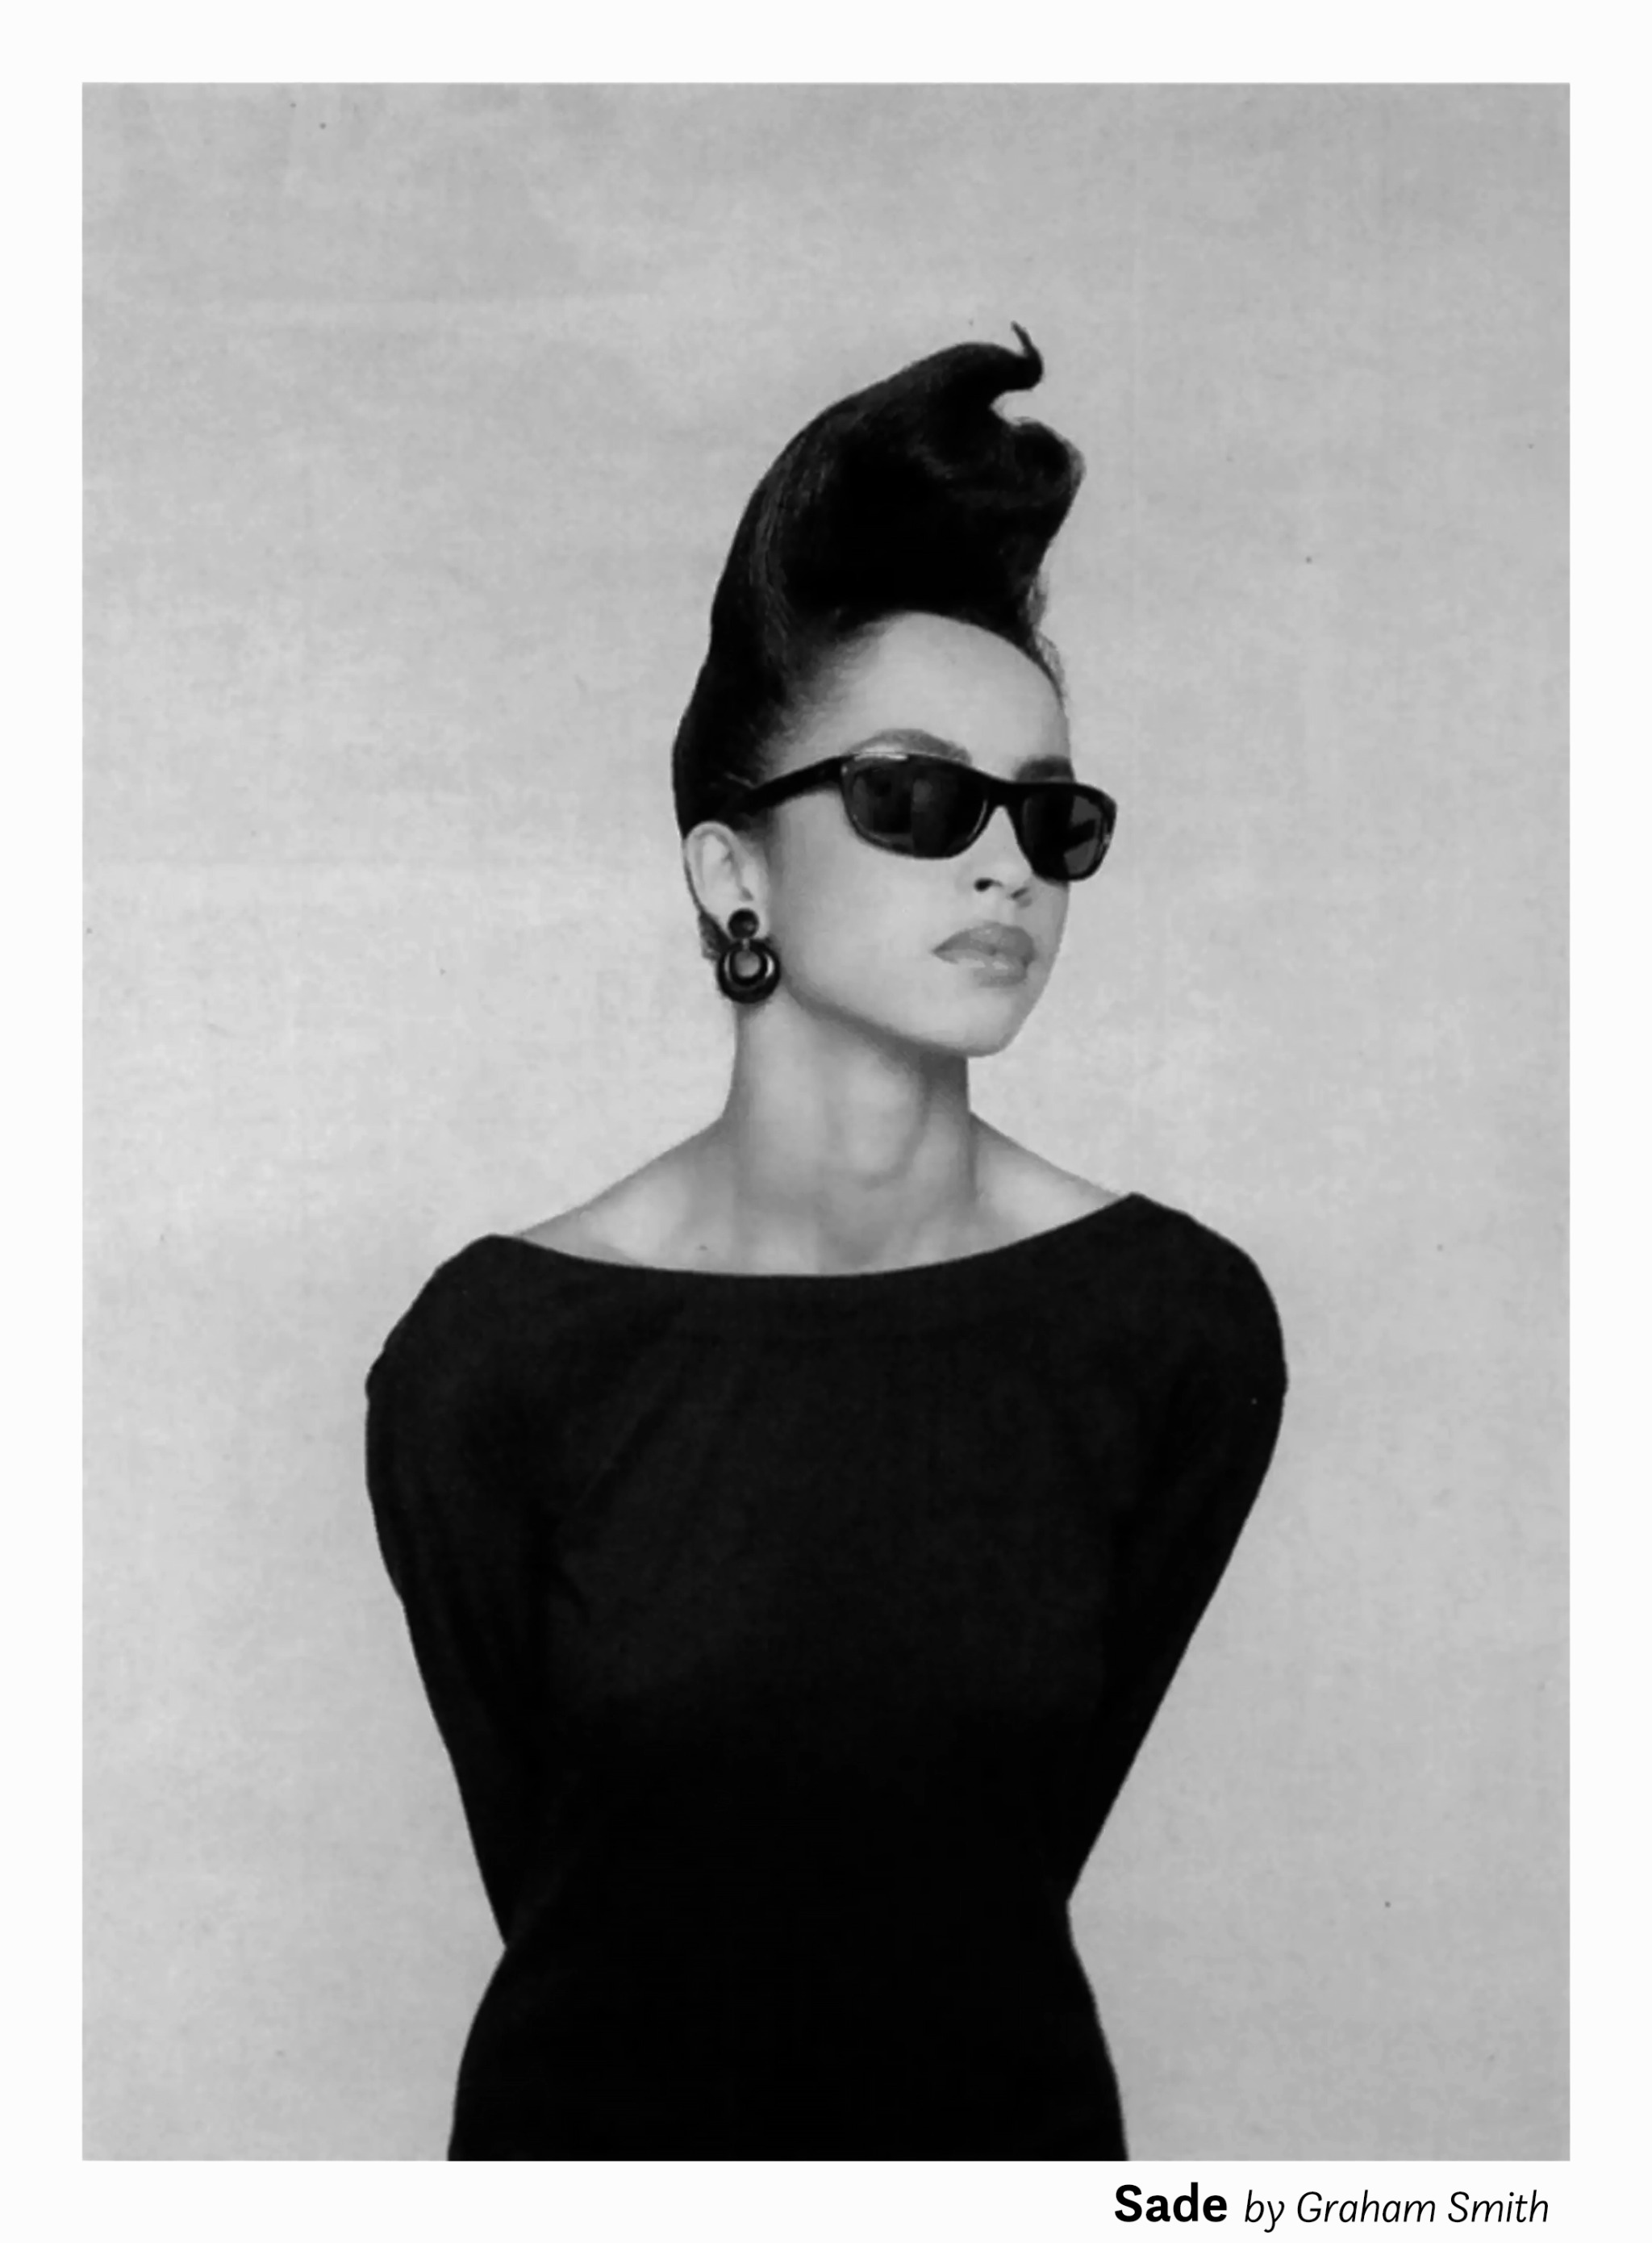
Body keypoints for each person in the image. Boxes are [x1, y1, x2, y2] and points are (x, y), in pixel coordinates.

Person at [364, 328, 1289, 2158]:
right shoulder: (494, 1357)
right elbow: (577, 1894)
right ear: (733, 873)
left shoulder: (1171, 1328)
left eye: (1050, 815)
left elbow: (991, 1864)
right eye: (915, 797)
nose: (1004, 865)